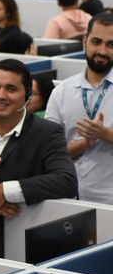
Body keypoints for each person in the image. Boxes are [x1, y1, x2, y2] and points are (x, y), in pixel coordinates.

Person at [0, 59, 77, 257]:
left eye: (11, 89)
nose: (1, 95)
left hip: (15, 250)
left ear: (27, 95)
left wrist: (4, 191)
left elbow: (67, 181)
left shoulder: (46, 133)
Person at [46, 13, 113, 204]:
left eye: (111, 44)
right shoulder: (62, 92)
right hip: (67, 197)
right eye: (96, 42)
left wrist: (105, 134)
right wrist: (84, 143)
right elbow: (49, 152)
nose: (102, 50)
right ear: (85, 41)